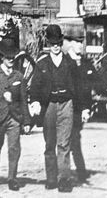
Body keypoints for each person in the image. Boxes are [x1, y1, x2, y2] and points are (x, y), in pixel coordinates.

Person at [29, 24, 79, 192]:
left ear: (62, 42)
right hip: (49, 106)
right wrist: (35, 101)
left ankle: (64, 179)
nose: (56, 46)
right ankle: (51, 178)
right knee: (50, 143)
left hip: (66, 104)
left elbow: (80, 86)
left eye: (58, 43)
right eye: (52, 43)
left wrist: (84, 107)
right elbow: (34, 87)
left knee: (64, 143)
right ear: (48, 44)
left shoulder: (70, 63)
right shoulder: (41, 64)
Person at [0, 38, 31, 190]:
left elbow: (24, 100)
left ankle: (12, 178)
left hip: (15, 118)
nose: (10, 60)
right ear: (2, 57)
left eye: (12, 57)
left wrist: (27, 121)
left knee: (14, 148)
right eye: (7, 57)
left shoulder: (19, 76)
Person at [65, 33, 95, 184]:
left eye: (81, 42)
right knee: (69, 141)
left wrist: (86, 108)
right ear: (70, 43)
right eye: (77, 42)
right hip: (66, 108)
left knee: (75, 140)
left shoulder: (85, 63)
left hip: (80, 109)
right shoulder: (64, 62)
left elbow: (88, 87)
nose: (79, 45)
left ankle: (79, 173)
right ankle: (69, 174)